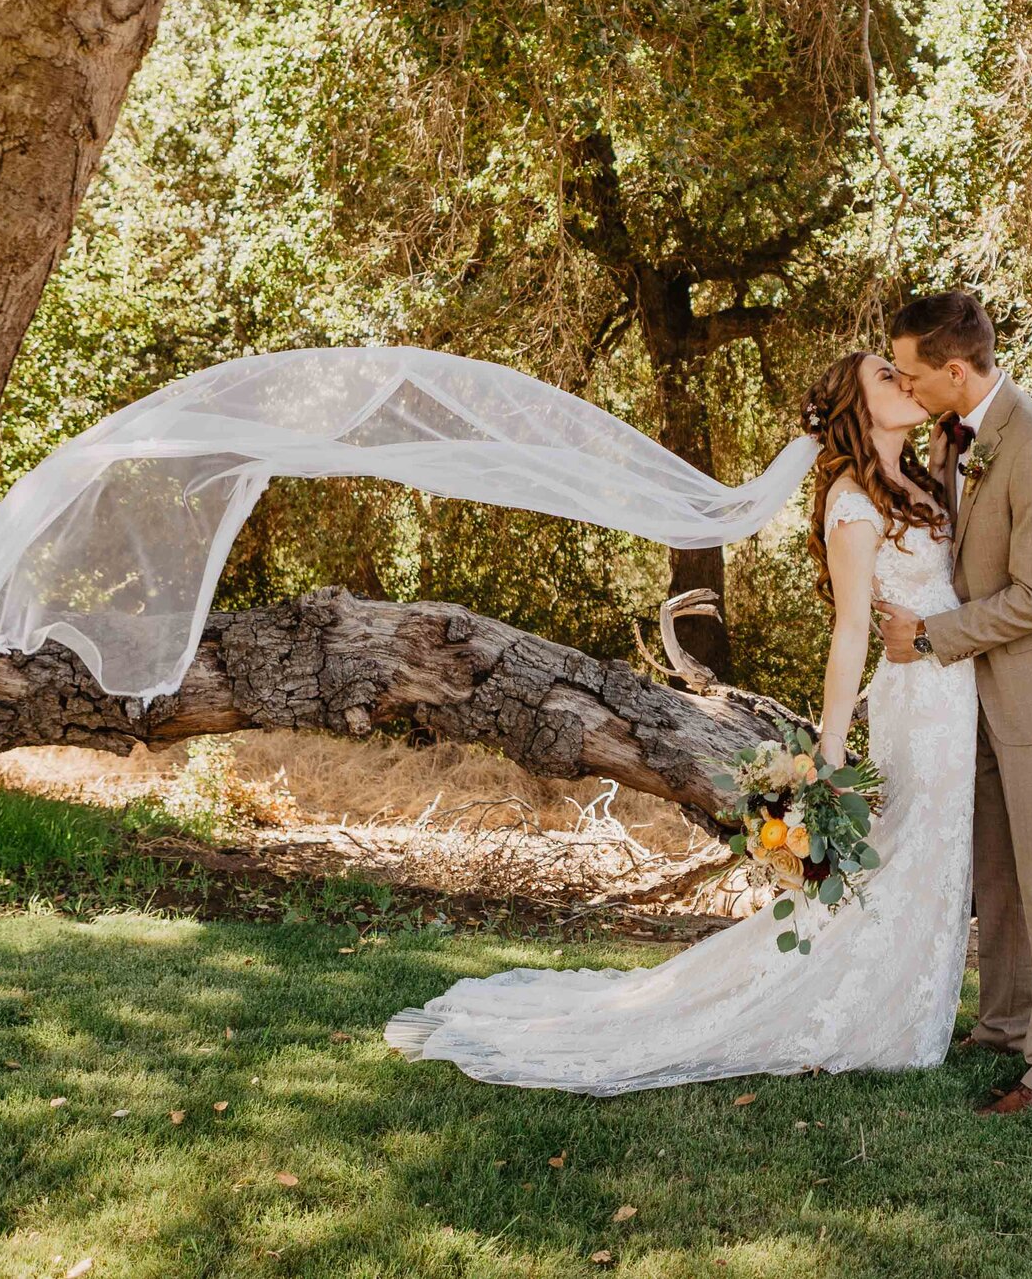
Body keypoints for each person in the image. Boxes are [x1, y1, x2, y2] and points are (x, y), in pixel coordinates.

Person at [382, 348, 987, 1094]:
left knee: (931, 850)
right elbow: (851, 632)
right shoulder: (852, 503)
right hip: (917, 702)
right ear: (858, 411)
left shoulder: (925, 476)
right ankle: (863, 1011)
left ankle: (901, 1003)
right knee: (907, 847)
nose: (905, 382)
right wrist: (827, 751)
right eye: (886, 379)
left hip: (956, 696)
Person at [875, 289, 1032, 1115]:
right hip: (980, 692)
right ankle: (1007, 1023)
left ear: (953, 369)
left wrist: (932, 636)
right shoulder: (954, 436)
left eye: (910, 374)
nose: (904, 387)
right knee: (1000, 875)